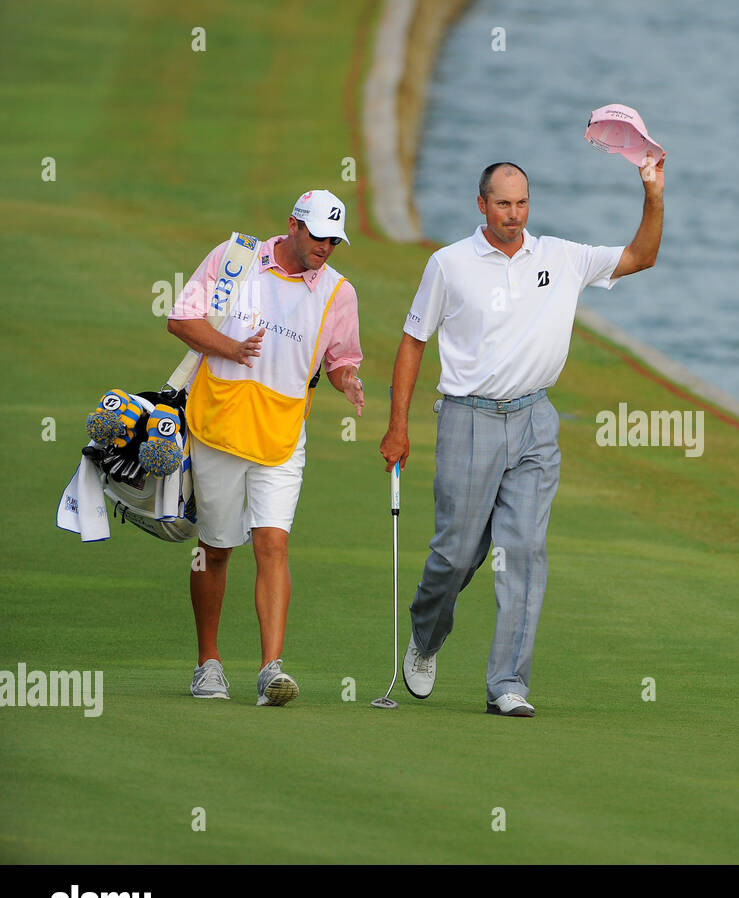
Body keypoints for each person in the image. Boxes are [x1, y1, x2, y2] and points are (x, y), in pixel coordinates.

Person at [380, 158, 664, 716]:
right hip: (467, 419)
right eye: (503, 204)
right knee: (456, 554)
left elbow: (642, 255)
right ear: (482, 205)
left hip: (535, 422)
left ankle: (508, 683)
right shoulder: (448, 264)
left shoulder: (561, 257)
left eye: (522, 203)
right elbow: (414, 341)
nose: (514, 214)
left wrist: (653, 193)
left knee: (525, 553)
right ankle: (426, 635)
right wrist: (397, 426)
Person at [167, 190, 365, 705]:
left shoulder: (339, 292)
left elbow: (340, 358)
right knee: (215, 549)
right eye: (319, 236)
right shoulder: (235, 258)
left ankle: (270, 670)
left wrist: (347, 380)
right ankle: (208, 663)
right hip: (219, 425)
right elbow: (181, 320)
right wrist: (231, 348)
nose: (326, 248)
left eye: (334, 241)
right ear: (294, 226)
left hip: (282, 435)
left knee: (273, 544)